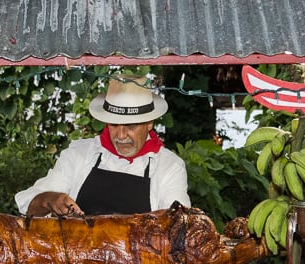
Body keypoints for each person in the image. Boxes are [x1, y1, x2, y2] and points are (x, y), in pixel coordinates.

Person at [16, 74, 191, 217]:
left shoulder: (169, 166)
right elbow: (29, 207)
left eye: (131, 126)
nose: (121, 136)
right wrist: (49, 199)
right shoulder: (80, 154)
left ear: (149, 122)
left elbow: (176, 225)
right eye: (114, 125)